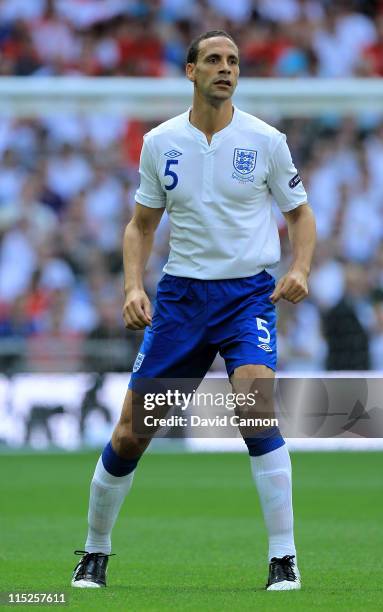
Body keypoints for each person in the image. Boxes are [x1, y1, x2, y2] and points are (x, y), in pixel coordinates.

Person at [71, 30, 316, 592]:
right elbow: (140, 225)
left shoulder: (267, 140)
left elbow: (300, 215)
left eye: (232, 60)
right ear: (190, 71)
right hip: (182, 301)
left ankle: (284, 558)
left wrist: (299, 268)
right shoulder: (161, 142)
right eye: (213, 60)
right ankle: (94, 551)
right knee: (133, 432)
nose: (225, 68)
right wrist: (134, 286)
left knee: (256, 406)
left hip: (247, 296)